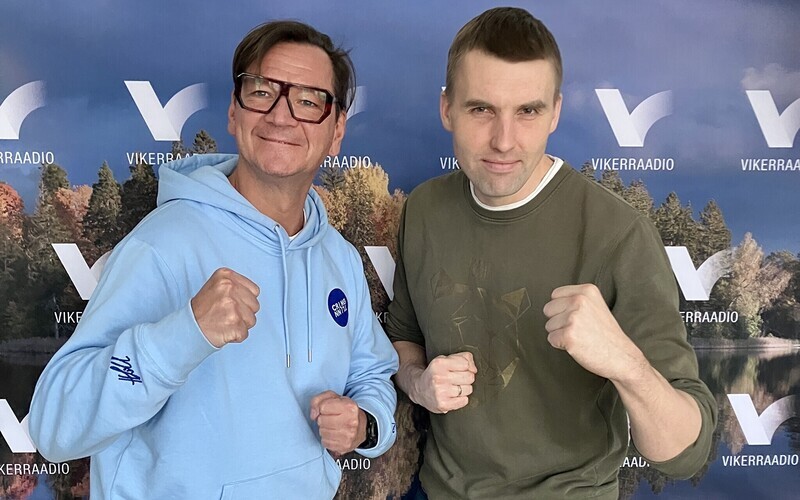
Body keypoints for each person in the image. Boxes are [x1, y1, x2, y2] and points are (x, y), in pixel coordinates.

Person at [28, 20, 398, 499]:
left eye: (308, 101)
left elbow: (372, 375)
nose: (281, 116)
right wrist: (182, 335)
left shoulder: (339, 258)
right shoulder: (163, 244)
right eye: (262, 92)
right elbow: (55, 427)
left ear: (337, 131)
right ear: (234, 112)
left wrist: (366, 424)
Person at [385, 7, 716, 499]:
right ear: (447, 108)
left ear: (555, 113)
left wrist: (625, 363)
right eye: (481, 110)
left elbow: (685, 452)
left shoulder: (617, 233)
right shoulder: (425, 210)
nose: (504, 140)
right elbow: (404, 339)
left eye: (528, 111)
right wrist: (418, 383)